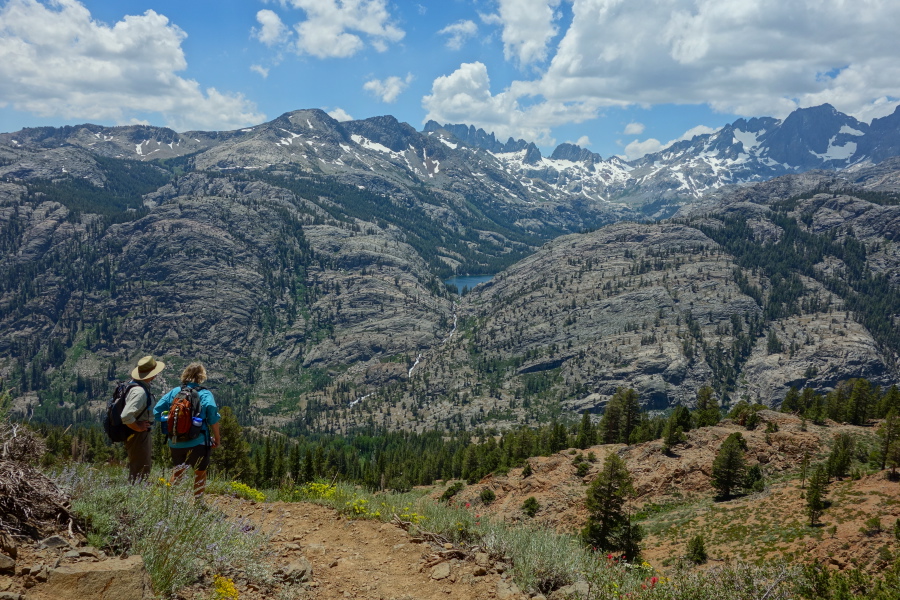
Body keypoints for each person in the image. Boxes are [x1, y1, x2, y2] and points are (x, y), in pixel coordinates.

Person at [154, 362, 221, 497]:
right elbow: (213, 416)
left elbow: (157, 411)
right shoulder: (205, 393)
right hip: (198, 441)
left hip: (175, 441)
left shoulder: (175, 392)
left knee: (178, 473)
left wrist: (172, 421)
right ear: (202, 376)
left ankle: (170, 502)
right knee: (200, 473)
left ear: (185, 375)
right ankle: (198, 503)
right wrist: (217, 439)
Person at [122, 355, 165, 482]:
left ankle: (134, 492)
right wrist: (138, 427)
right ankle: (134, 496)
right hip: (138, 435)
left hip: (137, 434)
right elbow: (126, 416)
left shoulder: (136, 386)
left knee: (139, 465)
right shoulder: (139, 392)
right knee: (141, 467)